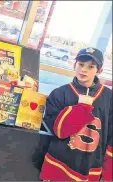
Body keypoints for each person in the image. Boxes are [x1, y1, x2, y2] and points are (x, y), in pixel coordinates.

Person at [39, 47, 112, 181]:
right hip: (59, 163)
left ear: (99, 71)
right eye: (81, 64)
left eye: (91, 67)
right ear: (74, 65)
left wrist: (109, 173)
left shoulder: (109, 97)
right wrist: (82, 108)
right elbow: (58, 131)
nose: (83, 69)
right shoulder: (59, 94)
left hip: (92, 166)